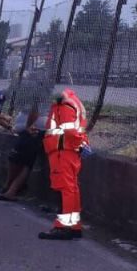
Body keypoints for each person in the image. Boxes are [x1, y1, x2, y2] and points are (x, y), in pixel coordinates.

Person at [38, 86, 89, 240]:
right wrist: (80, 145)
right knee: (71, 189)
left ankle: (63, 227)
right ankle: (74, 227)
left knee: (64, 189)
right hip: (69, 152)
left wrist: (77, 144)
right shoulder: (73, 103)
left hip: (62, 152)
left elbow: (70, 131)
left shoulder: (63, 105)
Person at [0, 103, 44, 202]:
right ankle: (8, 188)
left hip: (32, 133)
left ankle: (11, 191)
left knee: (25, 164)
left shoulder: (39, 95)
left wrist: (28, 127)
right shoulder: (30, 97)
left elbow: (35, 110)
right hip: (27, 133)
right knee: (15, 159)